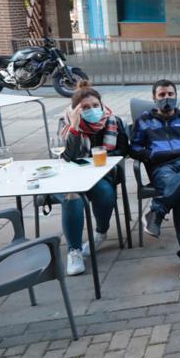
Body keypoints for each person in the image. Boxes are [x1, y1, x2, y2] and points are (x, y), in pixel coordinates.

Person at [130, 79, 180, 282]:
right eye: (162, 95)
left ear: (176, 96)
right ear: (154, 98)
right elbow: (135, 148)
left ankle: (158, 210)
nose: (167, 98)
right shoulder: (144, 121)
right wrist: (154, 155)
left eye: (170, 94)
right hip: (162, 168)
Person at [53, 82, 128, 275]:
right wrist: (75, 129)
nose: (92, 110)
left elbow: (123, 149)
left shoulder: (113, 121)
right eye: (85, 107)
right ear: (75, 109)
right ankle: (74, 251)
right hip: (71, 175)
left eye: (95, 105)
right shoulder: (67, 123)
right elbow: (66, 157)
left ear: (101, 105)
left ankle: (100, 233)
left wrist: (103, 157)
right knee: (72, 197)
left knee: (104, 192)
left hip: (100, 174)